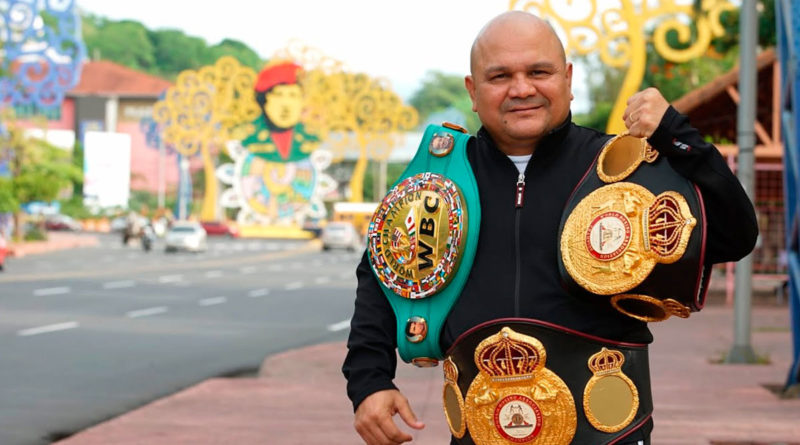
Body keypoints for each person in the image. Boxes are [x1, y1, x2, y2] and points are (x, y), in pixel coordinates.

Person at [343, 11, 758, 445]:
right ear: (473, 90)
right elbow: (380, 271)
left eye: (538, 71)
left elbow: (735, 235)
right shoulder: (439, 182)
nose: (521, 89)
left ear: (567, 77)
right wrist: (369, 382)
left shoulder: (623, 168)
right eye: (500, 75)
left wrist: (676, 134)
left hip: (607, 433)